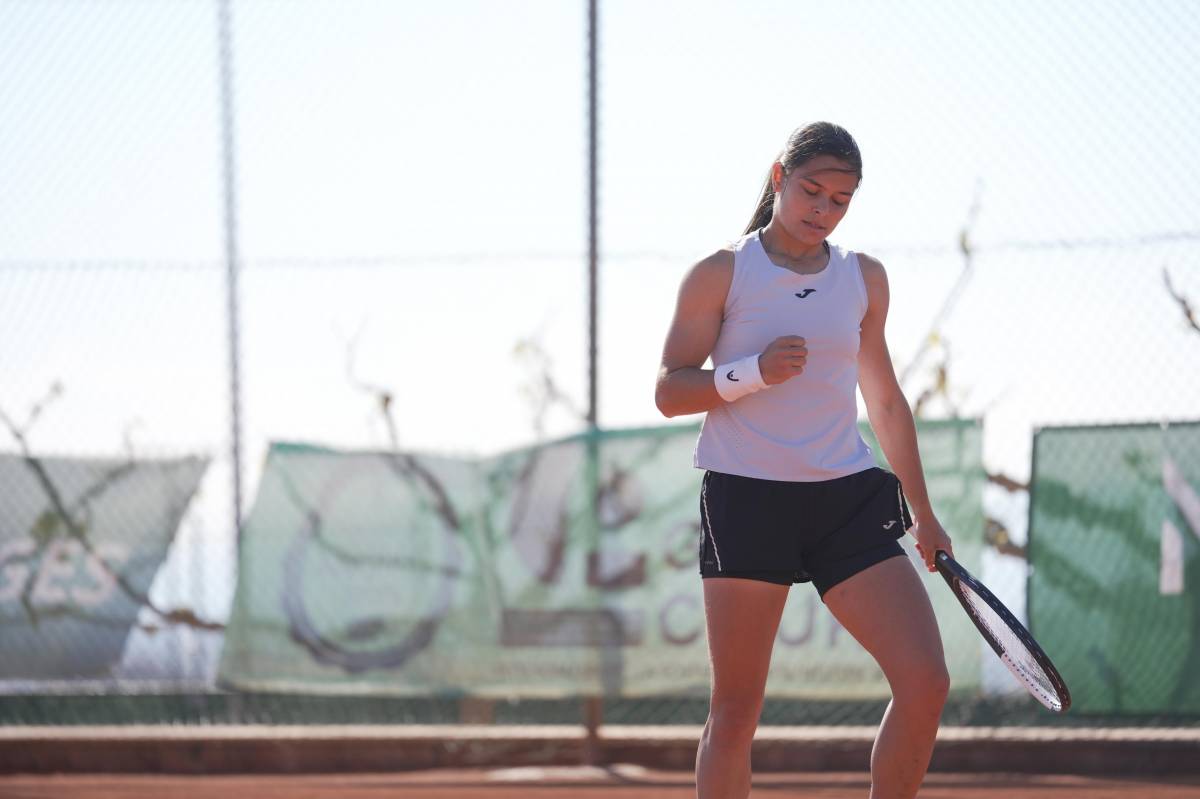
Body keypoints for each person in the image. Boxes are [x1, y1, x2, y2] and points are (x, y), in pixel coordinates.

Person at [654, 121, 955, 799]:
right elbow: (670, 389)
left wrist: (927, 515)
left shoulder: (863, 278)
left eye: (840, 199)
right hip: (747, 498)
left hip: (845, 500)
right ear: (778, 178)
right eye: (811, 191)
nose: (823, 209)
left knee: (926, 681)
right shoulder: (722, 272)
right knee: (735, 713)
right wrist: (751, 373)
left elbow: (883, 402)